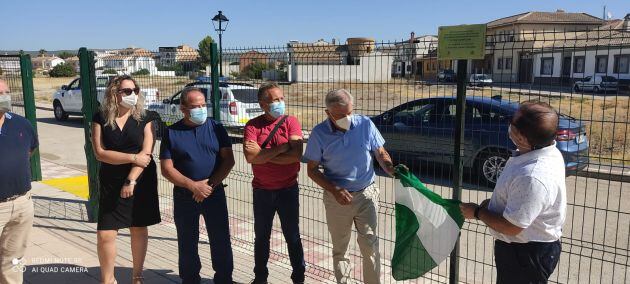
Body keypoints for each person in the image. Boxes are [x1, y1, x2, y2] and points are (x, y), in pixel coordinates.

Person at [460, 102, 566, 284]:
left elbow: (512, 227)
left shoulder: (533, 176)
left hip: (525, 254)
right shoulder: (542, 151)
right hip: (520, 249)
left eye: (512, 122)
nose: (508, 124)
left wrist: (478, 212)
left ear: (523, 138)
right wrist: (494, 205)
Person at [304, 89, 395, 284]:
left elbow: (380, 151)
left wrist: (389, 166)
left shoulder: (365, 124)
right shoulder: (319, 133)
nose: (347, 118)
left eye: (349, 113)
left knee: (370, 246)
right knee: (340, 249)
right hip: (337, 200)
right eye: (341, 115)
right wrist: (334, 190)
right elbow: (311, 170)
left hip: (366, 195)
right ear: (328, 113)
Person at [160, 87, 235, 284]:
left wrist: (208, 185)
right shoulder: (171, 132)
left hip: (214, 193)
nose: (201, 109)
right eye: (195, 106)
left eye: (203, 105)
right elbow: (167, 169)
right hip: (185, 196)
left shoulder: (217, 128)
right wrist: (193, 186)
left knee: (220, 240)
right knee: (187, 242)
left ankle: (224, 279)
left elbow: (229, 160)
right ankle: (190, 279)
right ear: (183, 108)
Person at [91, 75, 161, 284]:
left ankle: (137, 277)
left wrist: (131, 179)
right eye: (128, 91)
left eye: (135, 90)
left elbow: (146, 153)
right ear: (115, 93)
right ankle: (107, 279)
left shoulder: (146, 117)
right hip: (111, 180)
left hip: (140, 178)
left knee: (138, 228)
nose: (133, 95)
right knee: (105, 233)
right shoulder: (100, 118)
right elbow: (100, 153)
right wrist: (132, 157)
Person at [243, 83, 305, 284]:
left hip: (288, 190)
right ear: (262, 104)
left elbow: (296, 155)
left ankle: (299, 278)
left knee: (293, 237)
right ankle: (260, 278)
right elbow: (250, 157)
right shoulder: (252, 125)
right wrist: (282, 148)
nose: (280, 103)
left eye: (281, 99)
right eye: (275, 100)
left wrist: (262, 154)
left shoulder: (291, 122)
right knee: (261, 238)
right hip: (262, 191)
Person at [0, 79, 38, 284]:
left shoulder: (21, 124)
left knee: (13, 261)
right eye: (0, 93)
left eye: (7, 92)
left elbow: (29, 152)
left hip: (22, 204)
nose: (5, 97)